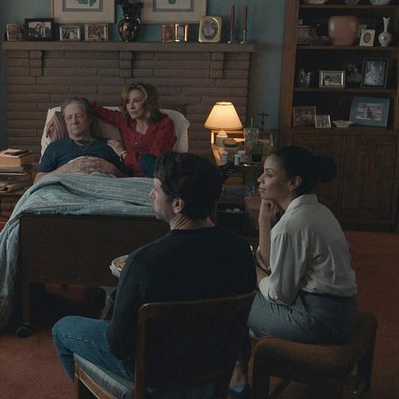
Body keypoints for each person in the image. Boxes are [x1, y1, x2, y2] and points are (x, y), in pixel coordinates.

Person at [51, 152, 256, 394]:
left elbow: (118, 346)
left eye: (156, 190)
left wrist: (126, 286)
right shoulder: (241, 251)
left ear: (178, 204)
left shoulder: (142, 262)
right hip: (214, 364)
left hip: (155, 371)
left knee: (62, 328)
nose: (150, 194)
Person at [228, 146, 357, 398]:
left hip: (320, 320)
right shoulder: (318, 211)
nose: (259, 179)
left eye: (268, 174)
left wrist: (255, 273)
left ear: (293, 183)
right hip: (343, 311)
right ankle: (239, 368)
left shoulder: (292, 225)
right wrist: (264, 221)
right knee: (249, 285)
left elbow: (280, 293)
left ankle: (238, 373)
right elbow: (272, 265)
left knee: (235, 302)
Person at [90, 82, 177, 177]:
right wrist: (80, 106)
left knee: (147, 160)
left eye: (136, 101)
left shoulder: (165, 124)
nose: (131, 107)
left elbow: (154, 163)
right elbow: (96, 108)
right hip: (128, 176)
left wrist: (124, 155)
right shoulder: (125, 121)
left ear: (148, 103)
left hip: (155, 176)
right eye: (127, 101)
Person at [35, 98, 127, 183]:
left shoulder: (109, 145)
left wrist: (112, 169)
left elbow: (129, 179)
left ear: (89, 119)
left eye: (79, 116)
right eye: (69, 118)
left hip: (103, 188)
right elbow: (38, 181)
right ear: (65, 121)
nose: (74, 121)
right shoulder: (55, 147)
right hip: (65, 191)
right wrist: (67, 168)